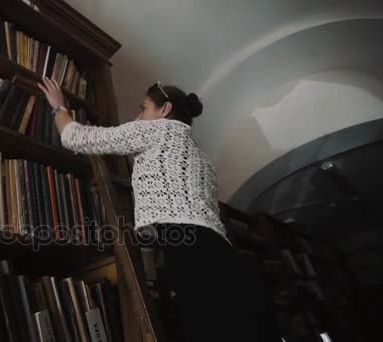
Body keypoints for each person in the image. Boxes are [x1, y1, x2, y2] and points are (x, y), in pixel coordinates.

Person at [38, 78, 280, 341]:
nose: (137, 115)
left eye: (142, 108)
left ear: (164, 110)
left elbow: (78, 137)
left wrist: (58, 108)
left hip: (191, 252)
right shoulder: (201, 157)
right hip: (220, 252)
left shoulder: (158, 130)